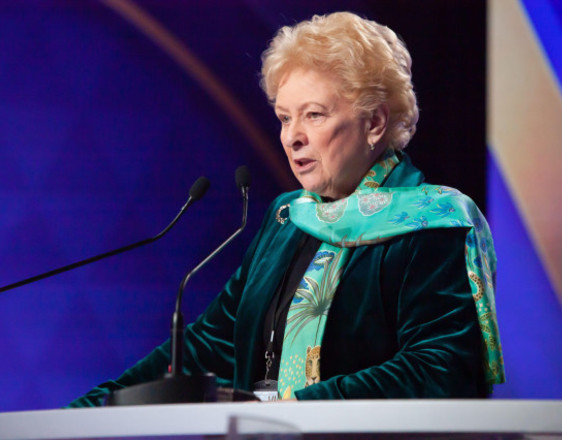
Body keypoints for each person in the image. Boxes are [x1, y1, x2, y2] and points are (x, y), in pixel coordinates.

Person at [68, 11, 504, 406]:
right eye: (284, 117)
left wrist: (296, 411)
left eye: (313, 115)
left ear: (374, 123)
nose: (292, 137)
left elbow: (441, 369)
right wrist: (98, 406)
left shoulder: (432, 223)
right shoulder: (288, 219)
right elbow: (211, 344)